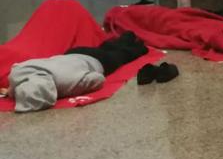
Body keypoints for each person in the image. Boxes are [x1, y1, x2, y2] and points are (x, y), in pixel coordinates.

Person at [5, 33, 176, 113]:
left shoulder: (67, 84)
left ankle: (139, 44)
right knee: (107, 47)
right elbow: (14, 86)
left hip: (100, 62)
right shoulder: (19, 72)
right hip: (73, 53)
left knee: (124, 55)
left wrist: (67, 93)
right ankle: (127, 36)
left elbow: (98, 79)